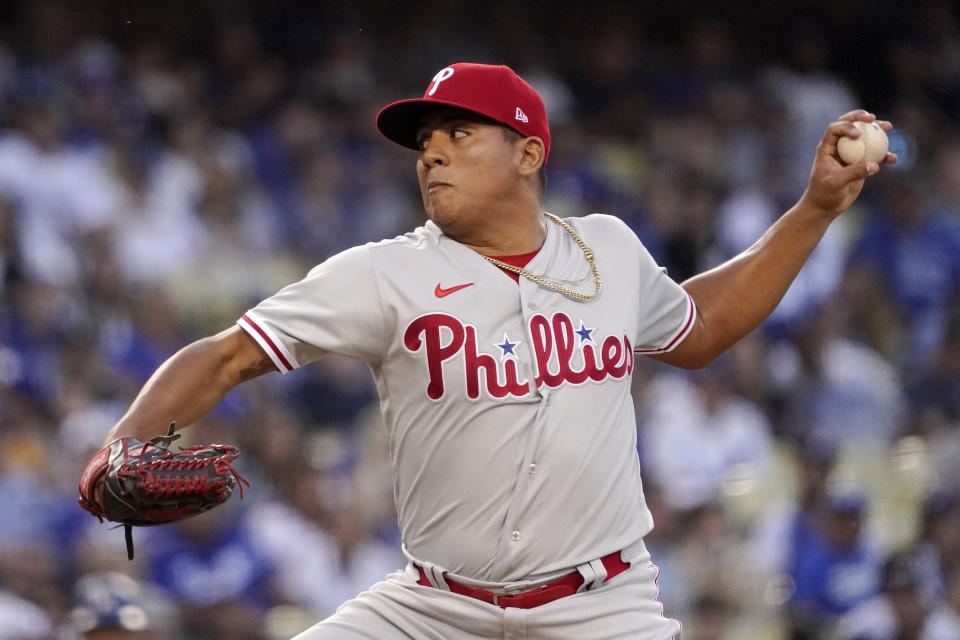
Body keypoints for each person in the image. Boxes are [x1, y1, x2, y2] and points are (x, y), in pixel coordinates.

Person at [82, 62, 896, 639]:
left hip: (600, 607)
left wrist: (816, 208)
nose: (429, 151)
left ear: (529, 153)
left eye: (458, 133)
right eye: (425, 139)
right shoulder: (383, 273)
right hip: (433, 609)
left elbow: (700, 329)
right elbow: (227, 357)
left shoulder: (605, 251)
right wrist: (123, 443)